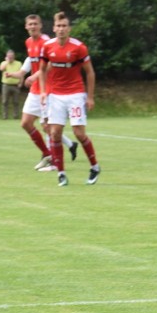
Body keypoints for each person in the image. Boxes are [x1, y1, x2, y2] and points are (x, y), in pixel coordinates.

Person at [5, 14, 78, 172]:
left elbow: (51, 63)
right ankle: (47, 154)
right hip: (35, 90)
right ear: (26, 26)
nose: (32, 26)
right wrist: (20, 74)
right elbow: (31, 60)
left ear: (40, 26)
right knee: (26, 123)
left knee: (48, 125)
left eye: (35, 24)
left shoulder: (47, 42)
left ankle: (54, 162)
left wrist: (34, 76)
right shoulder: (29, 42)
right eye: (30, 24)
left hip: (48, 89)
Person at [38, 12, 100, 186]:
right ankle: (62, 174)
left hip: (75, 95)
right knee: (55, 133)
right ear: (53, 28)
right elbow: (42, 70)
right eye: (58, 26)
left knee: (79, 133)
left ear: (69, 28)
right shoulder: (48, 47)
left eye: (64, 26)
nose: (61, 29)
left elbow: (90, 72)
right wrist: (43, 91)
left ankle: (94, 167)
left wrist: (90, 96)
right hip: (55, 96)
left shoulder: (79, 47)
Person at [0, 49, 22, 120]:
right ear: (6, 56)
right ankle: (5, 116)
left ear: (14, 56)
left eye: (11, 56)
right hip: (6, 85)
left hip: (16, 85)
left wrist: (21, 82)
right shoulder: (3, 63)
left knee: (16, 101)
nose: (10, 57)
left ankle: (16, 116)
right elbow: (1, 69)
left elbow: (21, 74)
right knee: (5, 101)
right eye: (9, 56)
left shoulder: (18, 63)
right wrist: (7, 62)